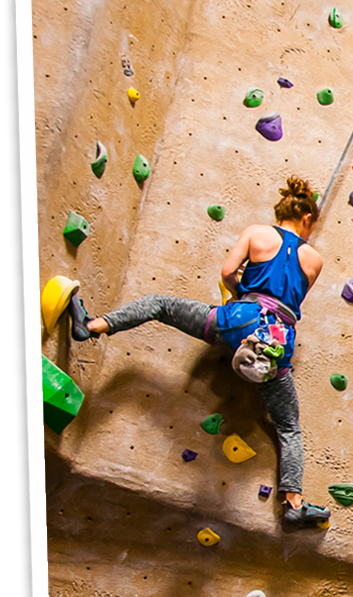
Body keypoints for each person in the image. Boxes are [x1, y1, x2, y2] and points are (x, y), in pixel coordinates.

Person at [68, 175, 331, 525]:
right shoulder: (314, 259)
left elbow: (226, 273)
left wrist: (240, 294)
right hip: (278, 339)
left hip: (237, 319)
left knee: (162, 305)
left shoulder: (256, 232)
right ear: (308, 219)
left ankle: (93, 326)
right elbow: (290, 302)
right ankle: (294, 505)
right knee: (288, 428)